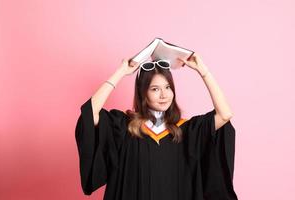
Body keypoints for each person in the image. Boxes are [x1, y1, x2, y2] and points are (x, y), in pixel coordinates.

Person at [75, 53, 238, 200]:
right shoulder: (124, 127)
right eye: (155, 89)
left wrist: (203, 71)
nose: (164, 95)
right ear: (143, 93)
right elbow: (90, 113)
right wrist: (120, 73)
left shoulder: (186, 131)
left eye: (168, 87)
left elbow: (224, 114)